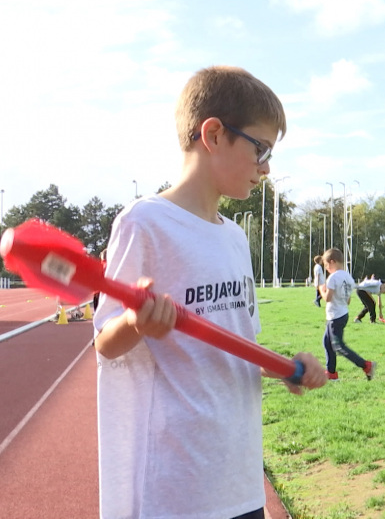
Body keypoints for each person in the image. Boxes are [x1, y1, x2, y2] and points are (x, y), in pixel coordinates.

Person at [92, 66, 327, 519]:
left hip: (238, 479)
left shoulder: (235, 239)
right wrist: (135, 323)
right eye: (260, 148)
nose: (267, 167)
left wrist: (286, 369)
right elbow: (105, 343)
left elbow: (236, 349)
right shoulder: (145, 223)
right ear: (214, 133)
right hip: (176, 487)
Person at [319, 248, 376, 381]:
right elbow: (348, 300)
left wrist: (322, 290)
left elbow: (327, 298)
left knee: (338, 346)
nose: (326, 268)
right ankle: (331, 373)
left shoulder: (332, 278)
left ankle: (366, 365)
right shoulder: (348, 277)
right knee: (327, 342)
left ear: (332, 262)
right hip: (343, 313)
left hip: (335, 316)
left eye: (326, 265)